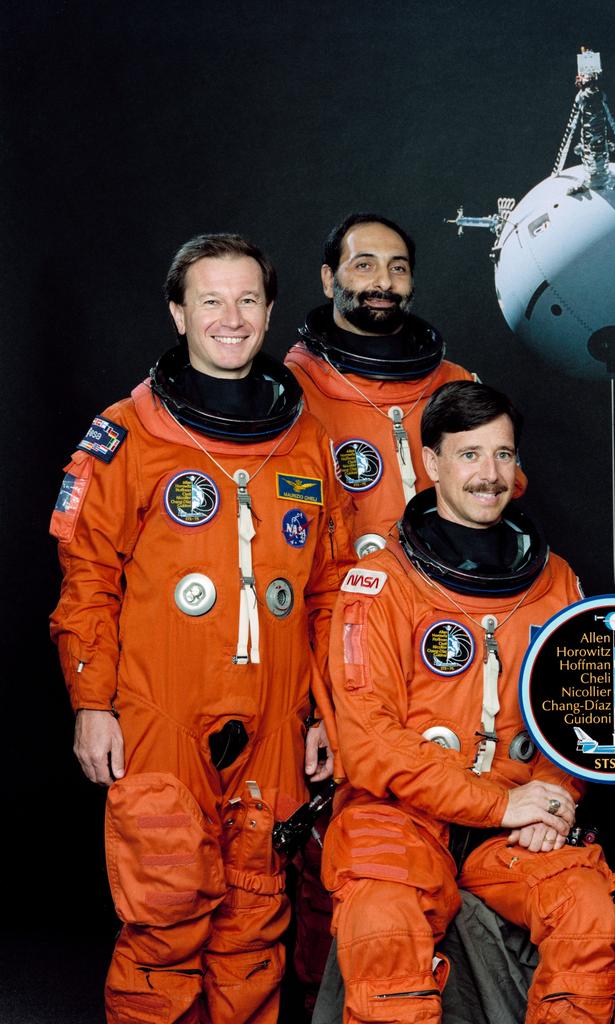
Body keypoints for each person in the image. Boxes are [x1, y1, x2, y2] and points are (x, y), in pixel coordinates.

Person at [49, 234, 353, 1024]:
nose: (231, 317)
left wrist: (323, 712)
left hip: (278, 717)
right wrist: (92, 704)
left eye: (248, 299)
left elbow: (328, 589)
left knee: (256, 924)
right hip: (161, 713)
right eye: (211, 300)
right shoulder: (128, 433)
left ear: (270, 311)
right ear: (178, 312)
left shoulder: (308, 439)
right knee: (166, 912)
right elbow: (88, 581)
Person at [322, 381, 615, 1024]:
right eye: (471, 454)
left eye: (504, 455)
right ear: (431, 464)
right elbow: (371, 742)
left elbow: (583, 714)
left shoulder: (555, 579)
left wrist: (555, 797)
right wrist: (499, 803)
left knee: (590, 913)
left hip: (517, 811)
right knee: (382, 924)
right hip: (401, 814)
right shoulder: (380, 584)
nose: (491, 475)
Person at [287, 212, 476, 555]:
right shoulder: (292, 394)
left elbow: (497, 494)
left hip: (448, 593)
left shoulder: (458, 384)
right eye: (364, 266)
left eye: (398, 268)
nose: (385, 283)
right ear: (329, 279)